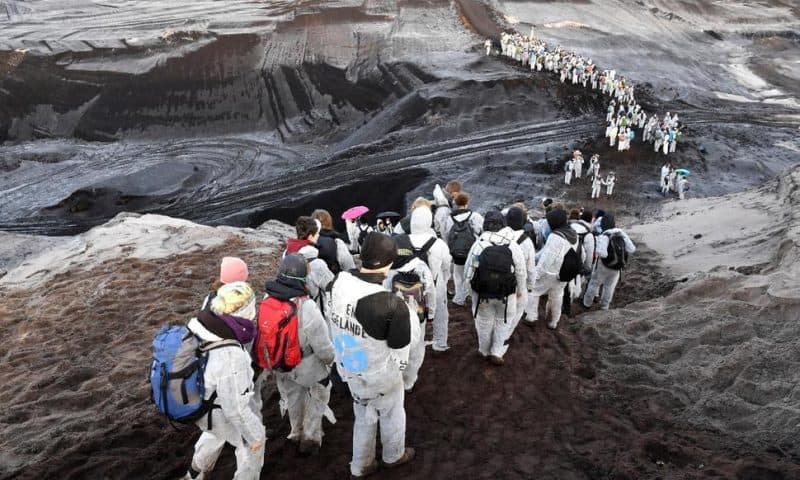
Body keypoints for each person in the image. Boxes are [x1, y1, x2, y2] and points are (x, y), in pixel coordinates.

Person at [326, 233, 416, 479]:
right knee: (392, 412)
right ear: (389, 263)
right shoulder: (390, 304)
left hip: (349, 363)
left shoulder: (338, 282)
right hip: (380, 375)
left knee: (363, 413)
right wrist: (397, 374)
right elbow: (400, 349)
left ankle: (361, 464)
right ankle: (393, 455)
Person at [182, 282, 265, 480]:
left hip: (200, 402)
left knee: (216, 433)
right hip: (217, 408)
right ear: (244, 312)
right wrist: (254, 437)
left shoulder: (202, 326)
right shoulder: (232, 354)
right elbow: (235, 408)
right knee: (251, 444)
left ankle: (194, 473)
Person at [260, 255, 336, 456]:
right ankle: (310, 436)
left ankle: (295, 432)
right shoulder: (307, 306)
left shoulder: (267, 299)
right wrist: (331, 360)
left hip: (279, 363)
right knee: (320, 392)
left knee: (293, 396)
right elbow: (322, 345)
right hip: (306, 364)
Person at [464, 211, 527, 365]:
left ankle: (483, 350)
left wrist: (470, 292)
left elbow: (468, 271)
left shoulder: (479, 244)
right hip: (506, 293)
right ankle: (497, 351)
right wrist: (520, 291)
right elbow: (521, 271)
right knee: (503, 321)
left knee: (484, 322)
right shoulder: (513, 245)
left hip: (483, 293)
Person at [384, 233, 436, 390]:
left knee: (395, 347)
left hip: (394, 316)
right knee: (417, 348)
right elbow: (430, 291)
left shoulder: (388, 268)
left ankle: (395, 376)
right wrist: (431, 313)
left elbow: (384, 291)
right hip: (418, 313)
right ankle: (409, 381)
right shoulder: (420, 265)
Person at [408, 206, 452, 353]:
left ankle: (417, 346)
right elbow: (447, 266)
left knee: (415, 317)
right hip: (435, 283)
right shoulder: (438, 243)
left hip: (411, 287)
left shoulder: (403, 241)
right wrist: (444, 280)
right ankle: (440, 343)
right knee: (440, 315)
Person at [528, 209, 578, 329]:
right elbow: (545, 251)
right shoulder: (572, 233)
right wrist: (534, 257)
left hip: (551, 273)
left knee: (533, 290)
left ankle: (531, 317)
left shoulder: (556, 236)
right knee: (556, 296)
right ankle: (553, 322)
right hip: (564, 273)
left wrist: (535, 275)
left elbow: (546, 260)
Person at [582, 214, 636, 310]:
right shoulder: (621, 233)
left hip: (604, 266)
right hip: (617, 267)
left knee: (594, 283)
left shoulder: (605, 235)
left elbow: (602, 253)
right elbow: (631, 249)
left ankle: (587, 303)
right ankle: (604, 306)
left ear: (603, 225)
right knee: (609, 287)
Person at [443, 192, 484, 307]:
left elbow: (446, 234)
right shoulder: (475, 216)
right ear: (467, 202)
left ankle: (459, 298)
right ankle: (472, 296)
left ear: (455, 203)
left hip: (457, 254)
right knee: (475, 273)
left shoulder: (450, 218)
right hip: (473, 253)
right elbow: (481, 231)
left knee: (458, 275)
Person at [506, 206, 537, 324]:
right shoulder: (527, 242)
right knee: (518, 309)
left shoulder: (499, 235)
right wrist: (529, 287)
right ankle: (506, 334)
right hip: (517, 284)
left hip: (498, 280)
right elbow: (530, 269)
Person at [312, 209, 356, 273]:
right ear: (329, 222)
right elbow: (349, 267)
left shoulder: (309, 241)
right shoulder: (337, 241)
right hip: (335, 279)